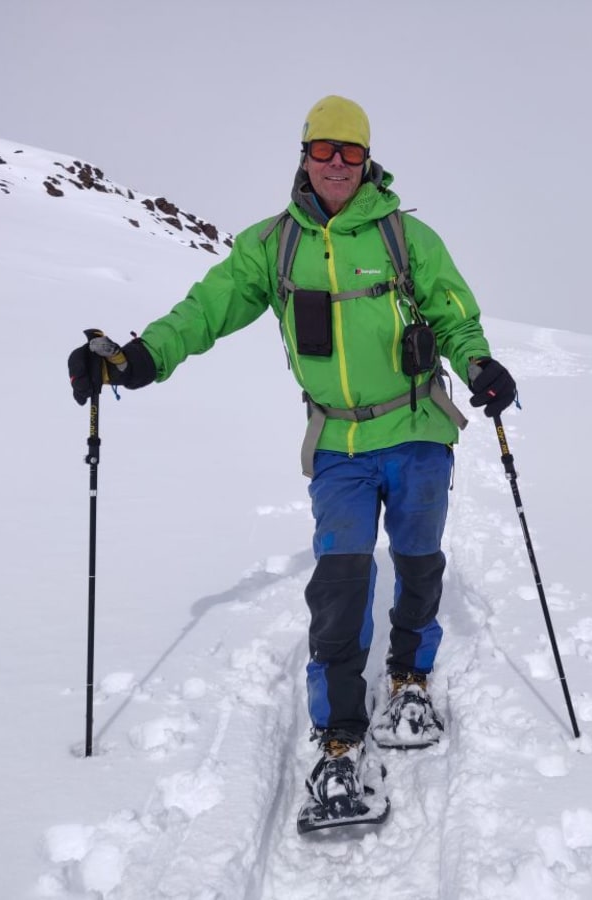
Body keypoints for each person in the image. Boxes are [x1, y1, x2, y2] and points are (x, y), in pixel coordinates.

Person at [67, 95, 516, 812]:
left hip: (417, 428)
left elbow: (453, 313)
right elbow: (205, 310)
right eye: (324, 149)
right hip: (338, 440)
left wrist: (480, 365)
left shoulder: (408, 238)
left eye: (351, 151)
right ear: (304, 153)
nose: (337, 163)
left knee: (418, 560)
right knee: (338, 586)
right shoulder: (272, 246)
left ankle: (408, 680)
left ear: (368, 160)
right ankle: (339, 739)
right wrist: (139, 357)